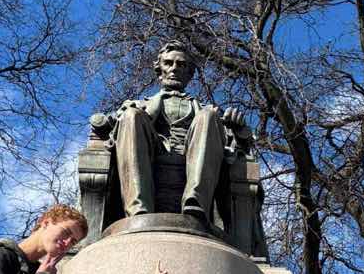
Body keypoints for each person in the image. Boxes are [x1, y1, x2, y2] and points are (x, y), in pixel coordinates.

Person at [90, 40, 252, 224]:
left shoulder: (208, 112)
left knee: (209, 115)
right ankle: (138, 212)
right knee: (131, 116)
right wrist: (108, 121)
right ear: (159, 71)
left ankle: (195, 205)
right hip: (150, 152)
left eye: (181, 65)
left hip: (194, 155)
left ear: (190, 73)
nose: (174, 69)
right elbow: (111, 128)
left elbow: (235, 146)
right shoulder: (138, 106)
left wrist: (239, 130)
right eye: (168, 63)